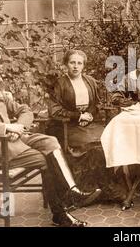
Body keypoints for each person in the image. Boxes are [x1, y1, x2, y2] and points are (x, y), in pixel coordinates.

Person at [0, 58, 101, 227]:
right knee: (45, 160)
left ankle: (72, 192)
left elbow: (24, 110)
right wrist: (6, 128)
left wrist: (19, 126)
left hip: (16, 140)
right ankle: (61, 212)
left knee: (51, 142)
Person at [48, 50, 128, 206]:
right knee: (97, 146)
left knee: (108, 139)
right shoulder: (59, 84)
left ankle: (105, 186)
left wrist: (90, 114)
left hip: (89, 124)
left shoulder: (90, 81)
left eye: (79, 63)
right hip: (69, 127)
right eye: (72, 62)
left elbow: (96, 104)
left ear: (83, 65)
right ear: (66, 64)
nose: (76, 66)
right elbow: (55, 110)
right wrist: (78, 116)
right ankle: (100, 189)